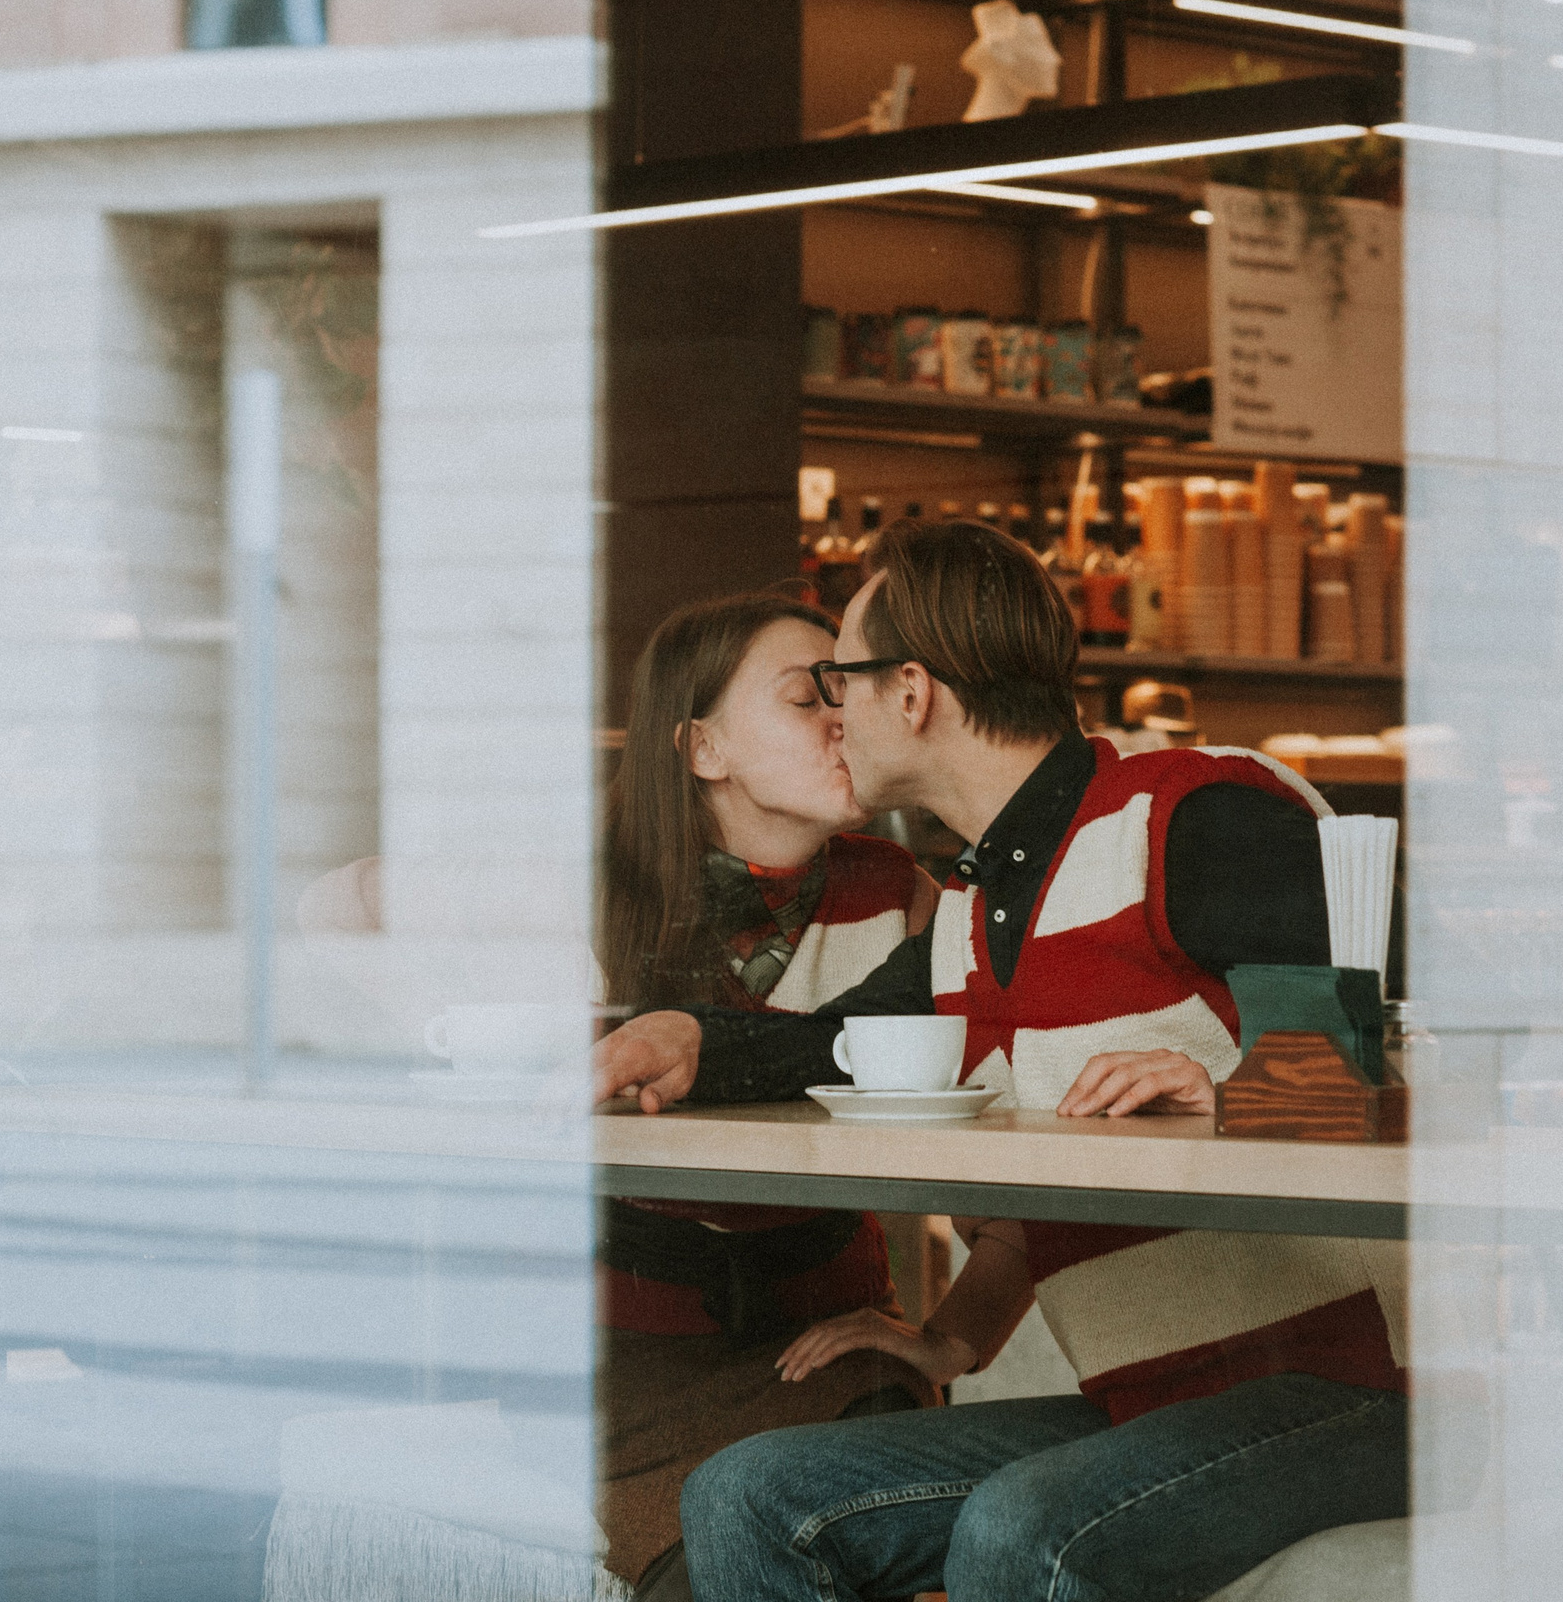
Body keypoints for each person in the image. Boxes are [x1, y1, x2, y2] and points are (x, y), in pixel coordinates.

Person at [589, 520, 1408, 1602]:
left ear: (910, 693)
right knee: (748, 1496)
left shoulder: (1191, 815)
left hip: (1361, 1389)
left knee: (1020, 1533)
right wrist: (686, 1039)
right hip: (1160, 1399)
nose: (835, 713)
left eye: (841, 680)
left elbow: (1420, 1042)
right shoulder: (977, 906)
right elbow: (832, 1043)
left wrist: (1225, 1095)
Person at [591, 591, 1027, 1602]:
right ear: (704, 749)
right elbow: (335, 908)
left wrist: (953, 1334)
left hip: (830, 1346)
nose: (846, 717)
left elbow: (1011, 1131)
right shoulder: (588, 892)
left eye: (848, 690)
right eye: (807, 697)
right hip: (623, 1359)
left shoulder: (905, 896)